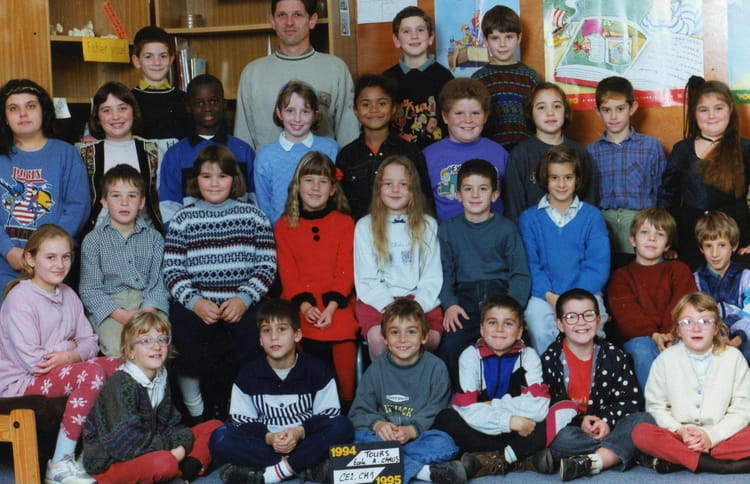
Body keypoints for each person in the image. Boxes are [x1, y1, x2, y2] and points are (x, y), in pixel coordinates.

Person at [163, 145, 276, 424]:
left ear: (234, 180)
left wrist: (244, 299)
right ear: (196, 180)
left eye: (222, 176)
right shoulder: (183, 219)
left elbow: (266, 265)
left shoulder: (253, 216)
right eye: (206, 176)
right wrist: (195, 302)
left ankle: (233, 404)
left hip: (241, 302)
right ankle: (197, 409)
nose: (214, 183)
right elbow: (173, 270)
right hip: (199, 305)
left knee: (248, 339)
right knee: (187, 337)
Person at [0, 225, 120, 484]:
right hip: (21, 382)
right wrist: (68, 347)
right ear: (31, 258)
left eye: (65, 257)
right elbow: (36, 363)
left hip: (56, 371)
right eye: (50, 257)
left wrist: (68, 356)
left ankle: (97, 452)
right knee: (91, 372)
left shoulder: (68, 294)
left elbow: (91, 341)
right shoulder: (20, 299)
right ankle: (59, 462)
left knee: (119, 365)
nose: (60, 264)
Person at [209, 298, 354, 484]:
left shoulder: (317, 370)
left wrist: (299, 432)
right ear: (260, 339)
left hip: (305, 439)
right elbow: (242, 421)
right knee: (220, 437)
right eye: (266, 330)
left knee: (342, 426)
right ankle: (305, 467)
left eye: (282, 329)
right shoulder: (248, 374)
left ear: (297, 335)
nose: (274, 337)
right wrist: (270, 437)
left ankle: (275, 472)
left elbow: (329, 415)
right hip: (268, 443)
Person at [82, 312, 222, 484]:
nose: (156, 346)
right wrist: (173, 450)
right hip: (112, 462)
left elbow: (173, 424)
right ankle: (174, 472)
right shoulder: (121, 383)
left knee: (215, 427)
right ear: (130, 351)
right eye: (146, 341)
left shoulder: (160, 377)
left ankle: (182, 475)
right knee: (164, 462)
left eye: (162, 339)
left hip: (150, 447)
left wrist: (179, 448)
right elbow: (125, 443)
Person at [349, 297, 466, 484]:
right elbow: (358, 412)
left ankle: (378, 464)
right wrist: (378, 425)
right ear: (385, 338)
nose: (402, 339)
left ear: (424, 336)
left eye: (411, 332)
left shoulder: (436, 367)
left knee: (445, 443)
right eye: (395, 332)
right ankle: (421, 472)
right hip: (383, 438)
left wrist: (412, 430)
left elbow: (439, 409)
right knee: (354, 437)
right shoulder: (375, 370)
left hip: (418, 437)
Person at [274, 152, 359, 409]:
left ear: (332, 189)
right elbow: (288, 272)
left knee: (343, 335)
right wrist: (305, 306)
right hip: (299, 303)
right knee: (296, 333)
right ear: (297, 186)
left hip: (337, 302)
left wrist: (331, 307)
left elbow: (346, 268)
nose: (315, 188)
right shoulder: (284, 225)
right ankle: (306, 403)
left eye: (323, 182)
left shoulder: (345, 223)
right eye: (309, 180)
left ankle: (347, 401)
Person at [632, 292, 750, 474]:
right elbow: (656, 407)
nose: (696, 328)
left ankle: (681, 459)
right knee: (641, 433)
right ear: (678, 330)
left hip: (723, 435)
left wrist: (711, 436)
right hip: (680, 436)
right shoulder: (665, 360)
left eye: (705, 321)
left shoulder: (733, 357)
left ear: (716, 327)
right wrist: (680, 431)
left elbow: (742, 409)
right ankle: (718, 465)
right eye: (687, 322)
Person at [436, 159, 530, 386]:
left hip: (500, 294)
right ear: (458, 195)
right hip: (464, 299)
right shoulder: (447, 229)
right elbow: (444, 272)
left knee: (520, 344)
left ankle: (517, 396)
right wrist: (449, 304)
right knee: (450, 346)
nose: (475, 195)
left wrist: (512, 307)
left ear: (495, 195)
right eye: (468, 189)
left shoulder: (506, 228)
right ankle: (460, 397)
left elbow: (519, 272)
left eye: (483, 189)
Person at [433, 296, 550, 478]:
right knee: (446, 419)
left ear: (519, 332)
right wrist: (509, 421)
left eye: (508, 323)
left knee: (550, 417)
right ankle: (518, 458)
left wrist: (492, 405)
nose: (499, 329)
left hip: (519, 428)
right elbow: (466, 409)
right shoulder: (470, 356)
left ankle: (486, 461)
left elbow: (539, 407)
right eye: (492, 322)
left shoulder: (528, 356)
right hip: (487, 426)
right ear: (482, 329)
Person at [542, 288, 650, 481]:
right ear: (560, 324)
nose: (581, 322)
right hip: (574, 430)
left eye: (588, 315)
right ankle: (621, 453)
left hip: (610, 425)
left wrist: (606, 421)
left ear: (598, 321)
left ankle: (594, 461)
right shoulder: (550, 359)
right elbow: (547, 405)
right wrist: (579, 421)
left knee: (644, 420)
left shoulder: (613, 355)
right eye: (571, 317)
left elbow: (630, 400)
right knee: (560, 440)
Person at [0, 79, 90, 295]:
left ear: (44, 111)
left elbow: (77, 207)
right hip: (5, 264)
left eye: (30, 106)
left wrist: (48, 252)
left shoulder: (67, 154)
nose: (23, 114)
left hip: (53, 266)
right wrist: (8, 250)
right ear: (5, 117)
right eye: (13, 108)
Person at [519, 145, 610, 354]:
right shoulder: (530, 218)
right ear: (545, 179)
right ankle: (550, 373)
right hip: (544, 296)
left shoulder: (592, 217)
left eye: (568, 177)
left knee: (591, 328)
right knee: (538, 325)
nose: (561, 184)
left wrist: (572, 301)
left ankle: (588, 372)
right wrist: (551, 297)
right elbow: (530, 264)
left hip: (585, 292)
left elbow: (598, 264)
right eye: (554, 178)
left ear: (577, 180)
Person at [234, 0, 359, 150]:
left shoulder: (336, 69)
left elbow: (349, 136)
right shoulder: (252, 73)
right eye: (282, 15)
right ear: (272, 21)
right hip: (267, 165)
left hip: (322, 165)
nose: (289, 22)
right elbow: (243, 142)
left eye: (297, 15)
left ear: (312, 20)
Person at [354, 155, 442, 360]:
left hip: (419, 300)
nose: (395, 189)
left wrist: (416, 308)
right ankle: (385, 379)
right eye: (388, 184)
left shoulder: (428, 225)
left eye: (403, 184)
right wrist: (390, 308)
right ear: (379, 189)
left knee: (430, 339)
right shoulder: (365, 226)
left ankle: (418, 380)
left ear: (413, 190)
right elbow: (367, 278)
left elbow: (431, 276)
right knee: (379, 339)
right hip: (379, 301)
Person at [657, 77, 750, 269]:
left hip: (736, 241)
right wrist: (669, 242)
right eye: (703, 110)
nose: (711, 116)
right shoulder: (682, 150)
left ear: (730, 110)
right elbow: (667, 199)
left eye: (719, 108)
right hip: (692, 241)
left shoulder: (745, 148)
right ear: (694, 113)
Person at [79, 164, 170, 357]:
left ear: (141, 202)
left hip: (148, 302)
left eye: (131, 196)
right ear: (104, 201)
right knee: (118, 347)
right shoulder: (93, 240)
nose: (124, 202)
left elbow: (158, 283)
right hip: (112, 306)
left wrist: (147, 312)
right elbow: (90, 289)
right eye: (116, 196)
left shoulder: (154, 238)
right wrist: (121, 315)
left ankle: (156, 378)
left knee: (157, 345)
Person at [607, 207, 697, 389]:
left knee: (685, 346)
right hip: (639, 338)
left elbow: (683, 304)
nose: (651, 238)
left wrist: (669, 334)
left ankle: (683, 401)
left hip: (675, 333)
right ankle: (654, 404)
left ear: (668, 245)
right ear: (632, 239)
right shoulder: (621, 276)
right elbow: (628, 316)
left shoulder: (678, 269)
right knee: (643, 349)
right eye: (644, 232)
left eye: (660, 234)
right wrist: (654, 335)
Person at [159, 74, 255, 225]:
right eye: (199, 103)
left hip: (238, 234)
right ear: (188, 107)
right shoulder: (174, 155)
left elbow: (254, 201)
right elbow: (169, 207)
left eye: (213, 101)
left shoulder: (244, 151)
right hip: (192, 236)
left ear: (224, 104)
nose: (207, 108)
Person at [587, 76, 667, 256]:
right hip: (603, 224)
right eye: (606, 110)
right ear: (597, 111)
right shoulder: (591, 152)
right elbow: (588, 197)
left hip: (641, 224)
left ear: (633, 108)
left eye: (620, 109)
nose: (613, 116)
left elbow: (662, 192)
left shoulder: (650, 146)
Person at [337, 74, 432, 220]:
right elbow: (340, 205)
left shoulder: (410, 152)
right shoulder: (347, 156)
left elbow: (424, 202)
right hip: (359, 232)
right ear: (356, 110)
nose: (374, 109)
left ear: (393, 108)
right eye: (366, 104)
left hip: (405, 231)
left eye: (381, 104)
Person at [504, 82, 598, 223]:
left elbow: (589, 204)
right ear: (530, 113)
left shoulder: (580, 153)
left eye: (557, 106)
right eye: (541, 107)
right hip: (532, 233)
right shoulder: (520, 155)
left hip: (574, 232)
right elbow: (514, 210)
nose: (550, 113)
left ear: (565, 111)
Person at [77, 81, 163, 234]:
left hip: (145, 236)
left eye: (122, 108)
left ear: (134, 112)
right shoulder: (85, 154)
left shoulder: (152, 151)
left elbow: (162, 200)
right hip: (98, 237)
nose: (115, 116)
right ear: (97, 117)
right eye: (106, 110)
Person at [423, 78, 508, 222]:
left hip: (492, 233)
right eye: (459, 113)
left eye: (475, 113)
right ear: (445, 117)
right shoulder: (427, 156)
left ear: (485, 116)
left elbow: (511, 201)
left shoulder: (500, 153)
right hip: (445, 234)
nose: (468, 120)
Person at [254, 81, 339, 224]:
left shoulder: (330, 148)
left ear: (315, 115)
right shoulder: (265, 156)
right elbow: (264, 206)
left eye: (305, 111)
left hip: (324, 231)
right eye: (290, 111)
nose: (297, 118)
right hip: (281, 233)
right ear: (279, 113)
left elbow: (337, 196)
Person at [382, 6, 453, 148]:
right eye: (406, 31)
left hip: (435, 152)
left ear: (431, 37)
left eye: (420, 30)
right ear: (396, 40)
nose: (414, 36)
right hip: (397, 155)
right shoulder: (386, 79)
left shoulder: (445, 78)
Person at [470, 5, 539, 152]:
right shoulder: (478, 79)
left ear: (519, 38)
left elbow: (537, 118)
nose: (502, 44)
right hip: (489, 151)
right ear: (485, 40)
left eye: (508, 37)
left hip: (525, 151)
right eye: (495, 38)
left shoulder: (530, 76)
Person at [693, 211, 750, 363]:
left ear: (734, 245)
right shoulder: (695, 280)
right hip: (710, 336)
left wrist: (738, 338)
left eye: (722, 245)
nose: (715, 253)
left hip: (744, 335)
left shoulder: (746, 277)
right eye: (708, 246)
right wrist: (717, 336)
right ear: (701, 248)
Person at [130, 26, 191, 142]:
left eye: (163, 56)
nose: (157, 62)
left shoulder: (184, 99)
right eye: (148, 57)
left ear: (171, 60)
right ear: (137, 61)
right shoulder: (127, 100)